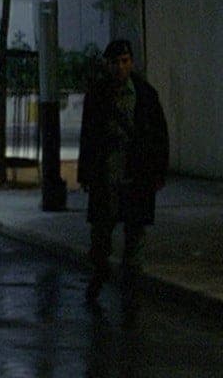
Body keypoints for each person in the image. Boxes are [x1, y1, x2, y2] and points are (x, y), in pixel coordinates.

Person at [78, 39, 168, 308]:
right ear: (108, 65)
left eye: (124, 61)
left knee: (135, 233)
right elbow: (88, 136)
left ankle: (131, 287)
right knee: (101, 232)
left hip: (136, 172)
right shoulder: (98, 95)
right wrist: (86, 173)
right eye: (115, 62)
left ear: (131, 62)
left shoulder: (145, 94)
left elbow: (159, 135)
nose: (120, 67)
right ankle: (100, 271)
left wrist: (157, 172)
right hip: (107, 172)